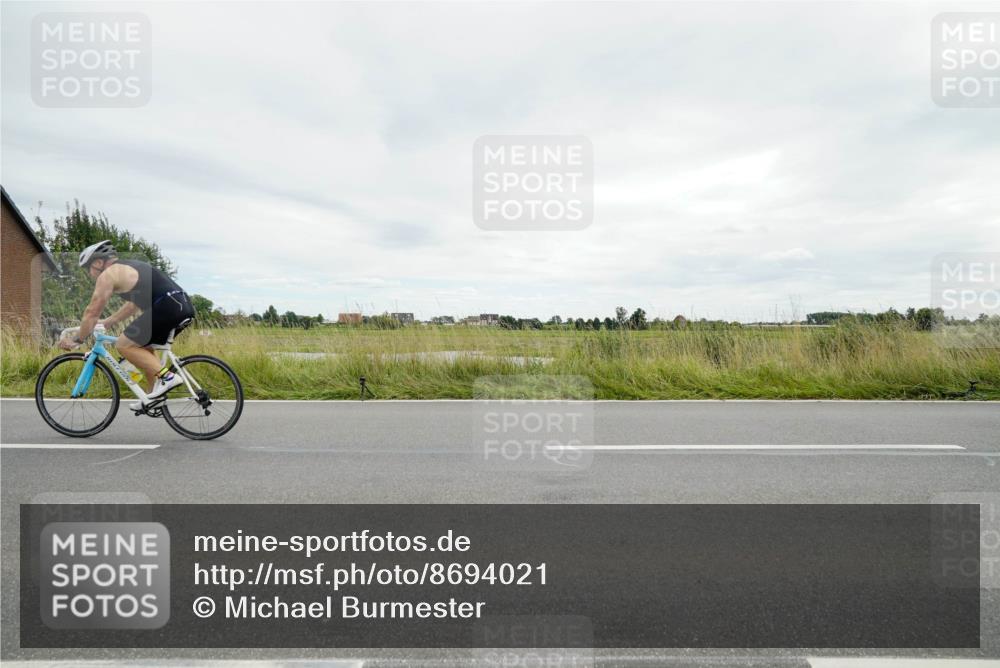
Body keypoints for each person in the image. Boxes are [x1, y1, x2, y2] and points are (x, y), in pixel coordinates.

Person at [60, 240, 195, 408]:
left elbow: (91, 312)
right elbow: (133, 305)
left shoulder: (108, 274)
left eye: (88, 269)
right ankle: (153, 397)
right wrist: (109, 322)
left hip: (168, 306)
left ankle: (168, 378)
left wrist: (77, 340)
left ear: (98, 262)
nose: (89, 274)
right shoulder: (128, 268)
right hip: (182, 305)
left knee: (124, 345)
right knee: (144, 349)